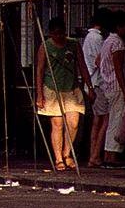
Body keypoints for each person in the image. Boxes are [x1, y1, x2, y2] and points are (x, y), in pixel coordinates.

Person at [35, 17, 93, 171]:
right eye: (55, 34)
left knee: (73, 122)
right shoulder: (45, 46)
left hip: (71, 88)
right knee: (57, 124)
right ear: (50, 33)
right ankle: (58, 158)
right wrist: (39, 94)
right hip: (52, 88)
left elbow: (82, 65)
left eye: (61, 33)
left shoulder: (73, 44)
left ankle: (67, 153)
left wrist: (90, 86)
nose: (59, 37)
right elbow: (40, 70)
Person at [97, 11, 125, 166]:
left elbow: (97, 62)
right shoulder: (118, 43)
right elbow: (119, 69)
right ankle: (111, 155)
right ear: (120, 26)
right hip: (118, 87)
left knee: (113, 119)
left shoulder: (107, 42)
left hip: (108, 86)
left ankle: (108, 154)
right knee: (117, 121)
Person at [83, 10, 110, 166]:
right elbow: (101, 61)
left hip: (92, 83)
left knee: (97, 120)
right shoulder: (97, 39)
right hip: (98, 83)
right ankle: (95, 155)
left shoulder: (89, 38)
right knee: (104, 118)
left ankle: (93, 154)